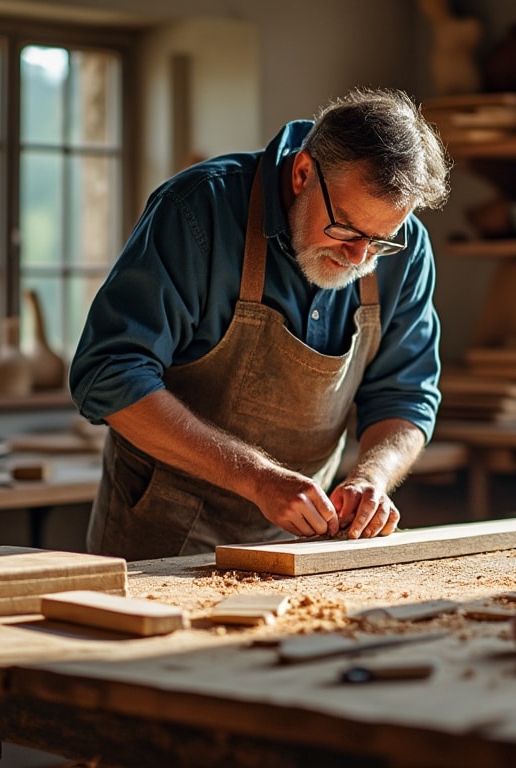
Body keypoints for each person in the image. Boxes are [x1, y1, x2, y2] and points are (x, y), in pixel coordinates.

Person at [70, 87, 452, 562]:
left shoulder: (406, 246)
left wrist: (371, 477)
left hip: (302, 545)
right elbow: (107, 374)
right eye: (346, 229)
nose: (358, 257)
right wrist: (256, 478)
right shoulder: (196, 210)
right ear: (303, 172)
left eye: (380, 242)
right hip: (162, 535)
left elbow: (407, 394)